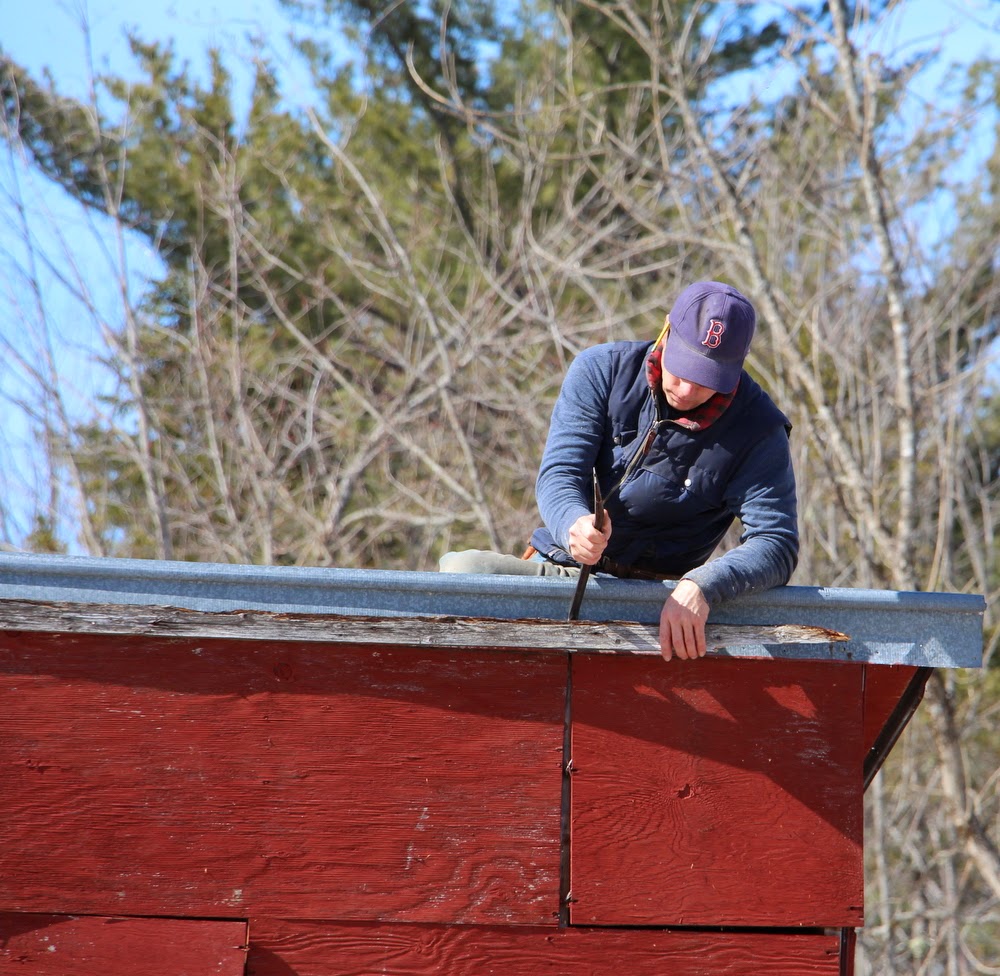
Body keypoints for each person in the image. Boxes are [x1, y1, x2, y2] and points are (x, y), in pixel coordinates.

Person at [439, 281, 798, 662]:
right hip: (567, 571)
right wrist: (573, 524)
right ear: (666, 329)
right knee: (461, 570)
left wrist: (703, 584)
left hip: (663, 600)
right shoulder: (602, 369)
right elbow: (560, 473)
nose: (685, 389)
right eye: (682, 367)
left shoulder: (759, 429)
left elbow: (776, 542)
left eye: (706, 378)